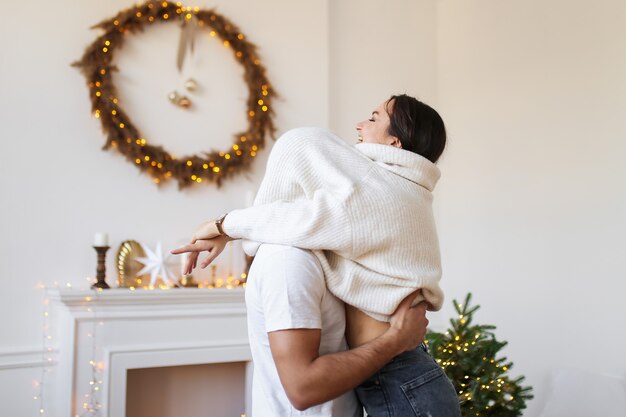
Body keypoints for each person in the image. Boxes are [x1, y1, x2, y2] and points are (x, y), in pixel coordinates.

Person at [173, 94, 460, 416]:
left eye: (374, 118)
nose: (360, 125)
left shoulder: (378, 195)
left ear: (395, 141)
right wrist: (230, 231)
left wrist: (222, 225)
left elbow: (306, 215)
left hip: (400, 377)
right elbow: (308, 217)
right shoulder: (388, 196)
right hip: (399, 375)